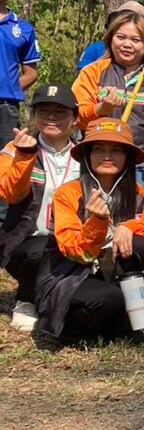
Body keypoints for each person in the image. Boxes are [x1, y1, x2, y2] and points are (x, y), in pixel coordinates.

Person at [34, 119, 144, 350]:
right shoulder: (68, 194)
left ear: (128, 157)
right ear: (87, 155)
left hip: (112, 276)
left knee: (140, 244)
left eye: (116, 149)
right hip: (70, 276)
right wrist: (97, 222)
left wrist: (129, 226)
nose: (107, 156)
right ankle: (70, 331)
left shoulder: (136, 193)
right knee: (109, 299)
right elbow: (75, 252)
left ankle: (127, 322)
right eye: (99, 149)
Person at [72, 11, 144, 197]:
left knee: (137, 218)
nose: (127, 44)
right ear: (111, 39)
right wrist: (101, 109)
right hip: (99, 161)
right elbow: (76, 117)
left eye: (136, 40)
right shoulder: (92, 72)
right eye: (121, 37)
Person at [0, 85, 78, 332]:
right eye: (44, 111)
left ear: (75, 118)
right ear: (34, 116)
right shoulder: (14, 149)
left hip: (74, 238)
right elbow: (9, 193)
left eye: (60, 112)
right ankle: (25, 298)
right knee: (40, 254)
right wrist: (25, 156)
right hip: (29, 241)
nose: (51, 118)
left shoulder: (86, 153)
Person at [0, 0, 40, 148]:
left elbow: (31, 73)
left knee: (5, 161)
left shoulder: (23, 29)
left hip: (6, 108)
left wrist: (8, 89)